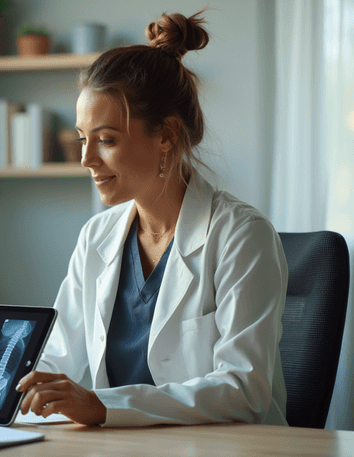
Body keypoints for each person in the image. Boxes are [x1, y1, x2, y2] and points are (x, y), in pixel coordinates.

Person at [16, 11, 288, 427]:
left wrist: (103, 406)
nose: (86, 159)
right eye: (84, 139)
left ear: (167, 135)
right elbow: (54, 360)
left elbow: (243, 391)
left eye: (106, 140)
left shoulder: (241, 237)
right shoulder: (96, 237)